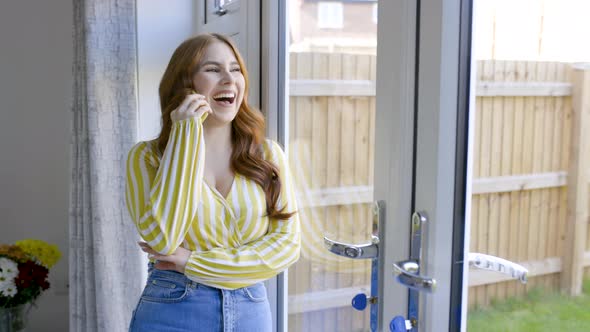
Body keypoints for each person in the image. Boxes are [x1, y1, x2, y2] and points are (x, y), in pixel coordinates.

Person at [125, 33, 301, 332]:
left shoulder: (268, 154)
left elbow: (287, 246)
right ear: (184, 84)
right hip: (171, 308)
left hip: (250, 309)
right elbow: (163, 239)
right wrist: (185, 135)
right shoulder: (147, 157)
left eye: (235, 69)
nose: (229, 79)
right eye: (213, 69)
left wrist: (191, 261)